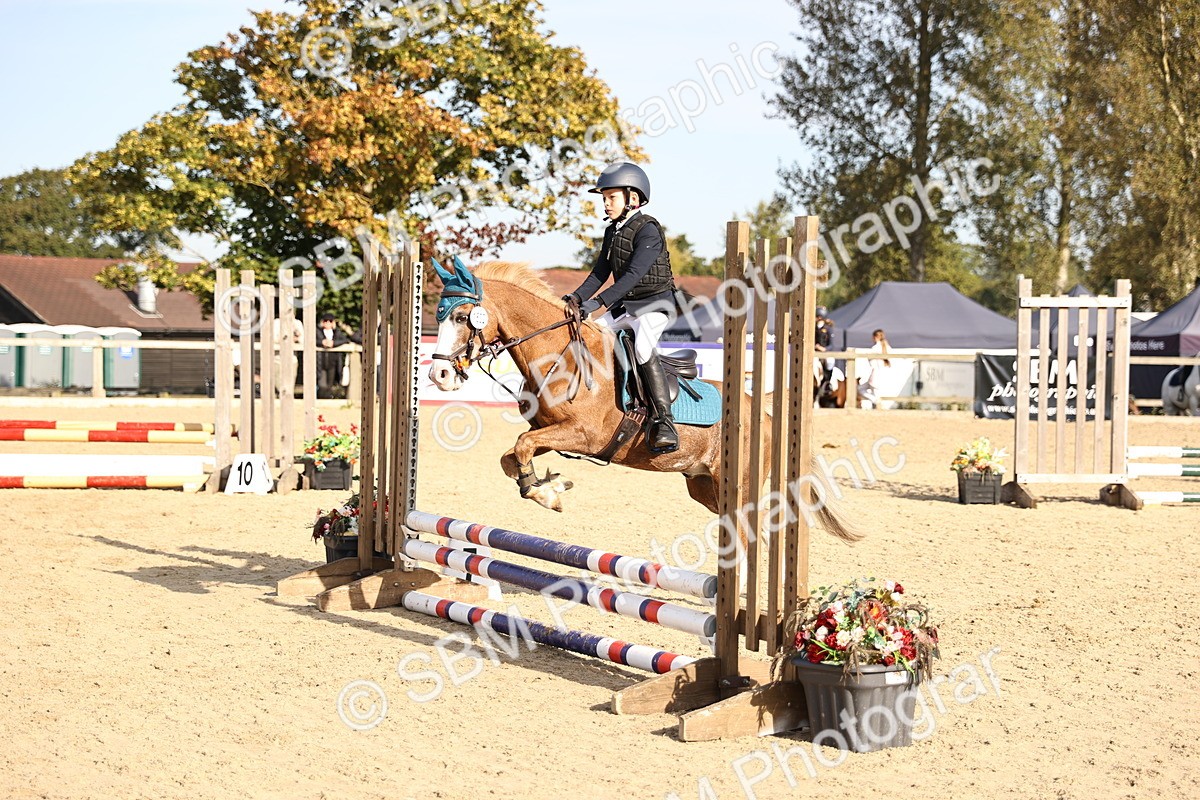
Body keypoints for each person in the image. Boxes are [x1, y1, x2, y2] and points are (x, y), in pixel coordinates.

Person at [562, 161, 680, 454]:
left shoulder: (649, 229)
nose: (605, 203)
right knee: (592, 335)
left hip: (655, 303)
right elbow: (600, 273)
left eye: (611, 197)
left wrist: (599, 302)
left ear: (633, 198)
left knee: (642, 348)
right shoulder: (612, 232)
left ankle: (665, 421)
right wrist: (576, 298)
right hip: (627, 304)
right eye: (604, 197)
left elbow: (632, 276)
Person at [316, 313, 351, 398]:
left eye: (330, 321)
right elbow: (311, 340)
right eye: (325, 321)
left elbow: (346, 340)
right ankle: (321, 400)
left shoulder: (337, 332)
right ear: (322, 322)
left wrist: (333, 343)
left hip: (333, 363)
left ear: (333, 323)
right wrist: (322, 343)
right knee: (322, 385)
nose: (327, 323)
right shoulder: (317, 331)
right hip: (321, 362)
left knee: (329, 385)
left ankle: (327, 401)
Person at [857, 328, 891, 409]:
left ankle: (876, 403)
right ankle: (876, 402)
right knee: (863, 389)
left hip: (876, 372)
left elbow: (868, 355)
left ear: (875, 337)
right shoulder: (886, 346)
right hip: (881, 372)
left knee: (873, 392)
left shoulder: (876, 347)